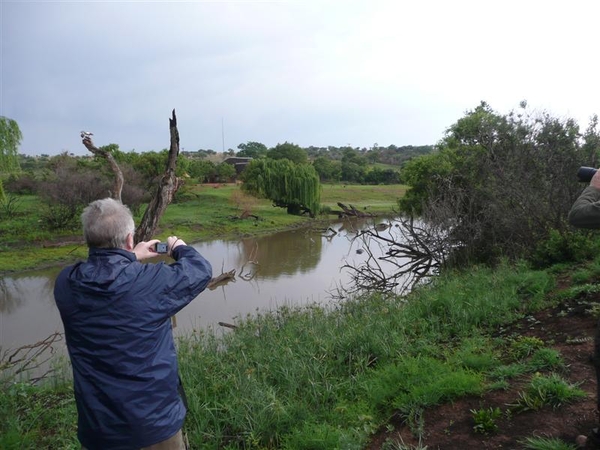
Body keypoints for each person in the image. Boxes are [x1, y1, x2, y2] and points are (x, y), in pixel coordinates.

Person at [54, 197, 213, 450]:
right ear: (130, 239)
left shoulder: (66, 283)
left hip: (99, 429)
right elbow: (200, 270)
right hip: (155, 427)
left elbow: (106, 280)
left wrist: (129, 257)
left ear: (88, 239)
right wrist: (179, 248)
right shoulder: (149, 283)